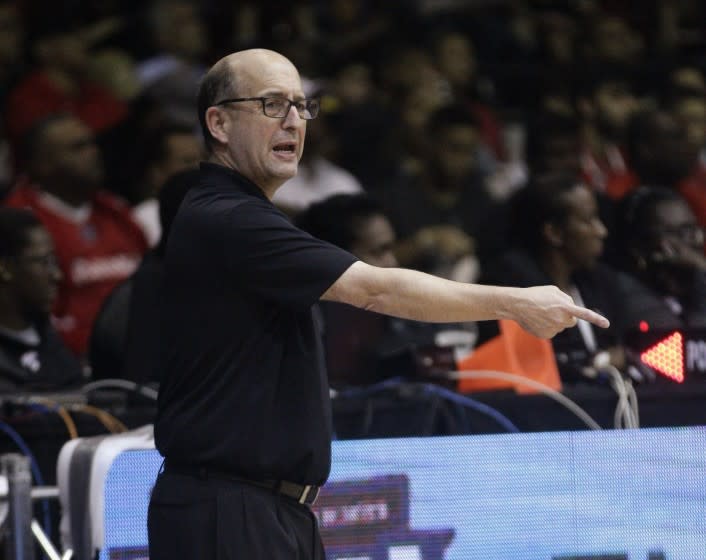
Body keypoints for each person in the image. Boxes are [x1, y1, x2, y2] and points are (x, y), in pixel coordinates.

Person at [147, 48, 609, 560]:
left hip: (267, 508)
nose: (295, 121)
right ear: (219, 122)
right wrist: (516, 302)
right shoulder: (229, 218)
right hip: (227, 509)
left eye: (302, 106)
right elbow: (376, 289)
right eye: (272, 105)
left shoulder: (242, 214)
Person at [4, 114, 148, 357]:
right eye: (77, 147)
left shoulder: (118, 213)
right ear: (41, 163)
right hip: (60, 364)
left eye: (92, 143)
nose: (93, 152)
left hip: (139, 357)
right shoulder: (18, 223)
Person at [0, 207, 83, 391]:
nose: (57, 275)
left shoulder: (53, 343)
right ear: (5, 268)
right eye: (45, 262)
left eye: (55, 262)